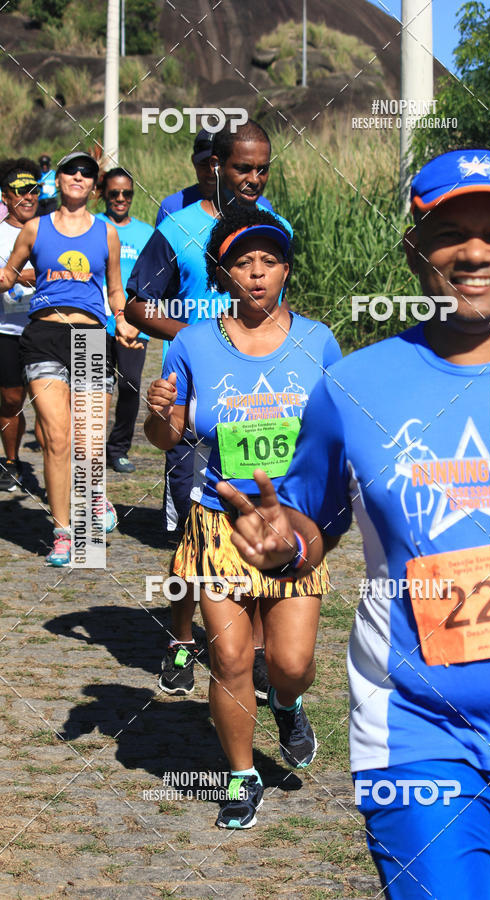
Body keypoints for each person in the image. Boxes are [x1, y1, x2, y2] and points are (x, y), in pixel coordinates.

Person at [218, 149, 490, 896]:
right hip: (417, 731)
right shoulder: (353, 386)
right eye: (450, 229)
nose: (476, 251)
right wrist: (285, 542)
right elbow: (312, 520)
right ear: (414, 247)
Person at [145, 207, 341, 828]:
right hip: (218, 521)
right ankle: (240, 775)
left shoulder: (320, 341)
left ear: (286, 268)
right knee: (230, 659)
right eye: (243, 262)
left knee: (289, 663)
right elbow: (166, 435)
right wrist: (160, 412)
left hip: (291, 525)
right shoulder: (193, 343)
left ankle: (288, 704)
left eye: (269, 261)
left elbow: (339, 434)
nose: (257, 274)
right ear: (224, 271)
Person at [127, 119, 290, 696]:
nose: (253, 177)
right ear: (216, 165)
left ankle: (264, 649)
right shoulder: (178, 228)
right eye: (242, 167)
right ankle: (179, 638)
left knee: (263, 517)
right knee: (194, 533)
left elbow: (281, 311)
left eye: (262, 167)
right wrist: (202, 339)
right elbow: (137, 304)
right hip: (194, 399)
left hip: (263, 400)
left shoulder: (278, 227)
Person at [0, 151, 140, 566]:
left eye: (87, 173)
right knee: (56, 437)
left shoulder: (106, 234)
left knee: (90, 438)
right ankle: (63, 532)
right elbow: (9, 273)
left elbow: (115, 288)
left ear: (94, 187)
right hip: (43, 335)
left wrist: (123, 319)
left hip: (93, 335)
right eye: (70, 171)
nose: (78, 177)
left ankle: (95, 494)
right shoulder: (34, 228)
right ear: (57, 180)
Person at [96, 167, 153, 473]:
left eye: (127, 193)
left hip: (133, 324)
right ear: (104, 193)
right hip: (94, 321)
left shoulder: (145, 233)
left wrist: (138, 320)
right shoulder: (93, 226)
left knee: (130, 386)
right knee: (92, 389)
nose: (120, 199)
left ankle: (118, 449)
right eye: (114, 193)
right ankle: (88, 450)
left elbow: (151, 281)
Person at [0, 158, 40, 491]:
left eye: (33, 190)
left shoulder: (50, 228)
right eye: (20, 191)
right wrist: (27, 276)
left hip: (45, 328)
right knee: (12, 400)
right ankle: (12, 462)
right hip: (7, 331)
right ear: (5, 196)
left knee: (49, 403)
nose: (27, 196)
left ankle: (60, 460)